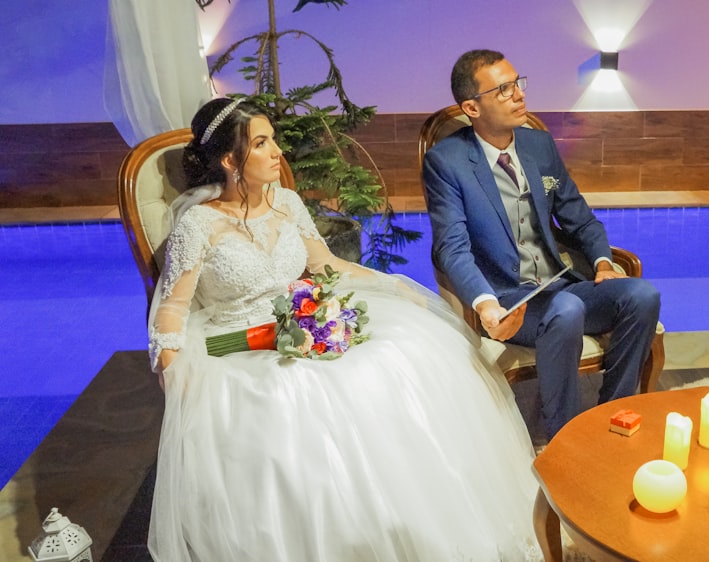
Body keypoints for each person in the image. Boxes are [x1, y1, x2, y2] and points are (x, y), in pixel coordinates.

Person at [146, 97, 542, 561]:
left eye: (274, 139)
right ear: (231, 160)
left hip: (302, 324)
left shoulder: (287, 203)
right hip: (236, 351)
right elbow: (172, 308)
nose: (277, 152)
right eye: (261, 143)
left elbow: (327, 264)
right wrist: (173, 370)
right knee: (303, 397)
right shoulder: (199, 223)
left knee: (401, 358)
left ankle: (412, 520)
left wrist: (399, 286)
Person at [422, 49, 662, 439]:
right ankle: (564, 436)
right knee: (566, 309)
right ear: (472, 106)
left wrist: (602, 261)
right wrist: (486, 305)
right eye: (503, 89)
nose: (518, 95)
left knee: (642, 295)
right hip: (509, 300)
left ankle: (614, 415)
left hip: (562, 284)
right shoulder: (446, 162)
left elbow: (578, 216)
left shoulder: (539, 146)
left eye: (518, 83)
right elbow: (451, 247)